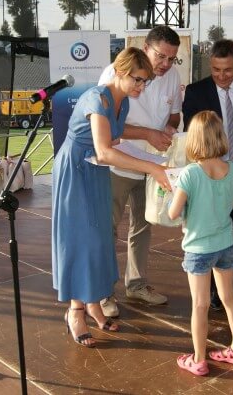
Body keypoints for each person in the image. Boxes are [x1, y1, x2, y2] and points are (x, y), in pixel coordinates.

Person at [52, 47, 172, 348]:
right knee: (83, 239)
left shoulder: (122, 103)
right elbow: (105, 150)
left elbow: (116, 133)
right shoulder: (97, 98)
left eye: (145, 81)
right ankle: (75, 311)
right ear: (119, 71)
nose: (141, 87)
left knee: (101, 237)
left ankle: (93, 304)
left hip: (93, 169)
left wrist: (147, 134)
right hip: (76, 169)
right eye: (137, 79)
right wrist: (153, 168)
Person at [97, 25, 182, 316]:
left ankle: (136, 284)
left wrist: (170, 128)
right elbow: (109, 129)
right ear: (145, 48)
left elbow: (174, 115)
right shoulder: (114, 74)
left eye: (172, 59)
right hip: (119, 162)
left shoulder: (172, 76)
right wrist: (147, 134)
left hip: (153, 166)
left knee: (144, 225)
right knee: (108, 228)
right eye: (161, 56)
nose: (166, 64)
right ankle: (103, 292)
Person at [182, 39, 233, 311]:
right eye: (216, 69)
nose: (221, 75)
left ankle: (228, 277)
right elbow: (190, 136)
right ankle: (210, 283)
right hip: (208, 171)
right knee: (209, 229)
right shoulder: (196, 92)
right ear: (211, 65)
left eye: (227, 70)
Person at [168, 110, 233, 376]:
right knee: (228, 298)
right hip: (226, 243)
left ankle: (199, 359)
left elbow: (172, 213)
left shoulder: (190, 174)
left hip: (198, 249)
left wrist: (173, 191)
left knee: (200, 304)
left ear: (194, 140)